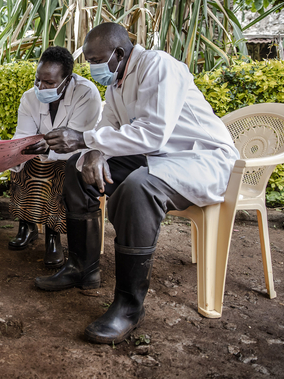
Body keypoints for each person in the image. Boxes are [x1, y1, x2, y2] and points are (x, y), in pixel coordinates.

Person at [35, 23, 239, 344]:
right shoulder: (116, 82)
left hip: (200, 159)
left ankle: (129, 306)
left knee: (138, 188)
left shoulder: (158, 66)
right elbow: (109, 126)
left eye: (95, 59)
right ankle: (82, 268)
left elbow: (152, 132)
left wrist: (84, 139)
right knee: (78, 168)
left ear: (118, 53)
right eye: (88, 60)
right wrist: (93, 152)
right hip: (158, 155)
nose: (91, 67)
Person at [9, 46, 101, 267]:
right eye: (38, 80)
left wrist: (47, 149)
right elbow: (24, 133)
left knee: (62, 169)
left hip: (75, 154)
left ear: (67, 79)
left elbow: (77, 140)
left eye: (49, 83)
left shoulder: (86, 93)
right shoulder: (30, 97)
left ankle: (53, 236)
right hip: (42, 151)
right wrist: (22, 148)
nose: (41, 87)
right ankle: (27, 224)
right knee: (23, 161)